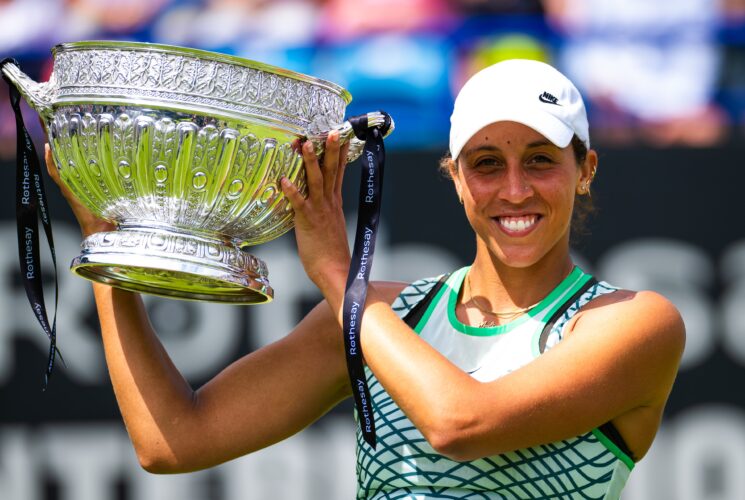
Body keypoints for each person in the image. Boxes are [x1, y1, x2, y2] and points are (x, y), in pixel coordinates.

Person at [46, 59, 684, 499]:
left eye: (540, 160)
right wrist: (109, 256)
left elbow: (459, 424)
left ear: (585, 169)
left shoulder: (635, 323)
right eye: (486, 163)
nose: (514, 189)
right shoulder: (374, 316)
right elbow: (171, 442)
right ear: (455, 177)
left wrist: (335, 274)